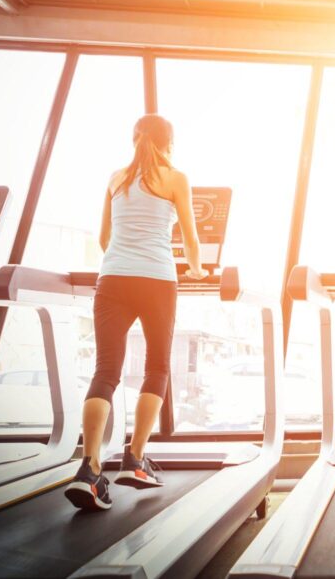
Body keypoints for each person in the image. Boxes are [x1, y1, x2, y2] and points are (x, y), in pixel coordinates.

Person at [65, 114, 207, 511]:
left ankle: (89, 468)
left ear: (135, 141)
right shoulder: (176, 177)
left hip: (112, 279)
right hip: (157, 280)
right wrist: (196, 269)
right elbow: (191, 241)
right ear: (170, 143)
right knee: (157, 367)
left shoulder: (116, 177)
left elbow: (104, 238)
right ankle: (135, 459)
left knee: (106, 372)